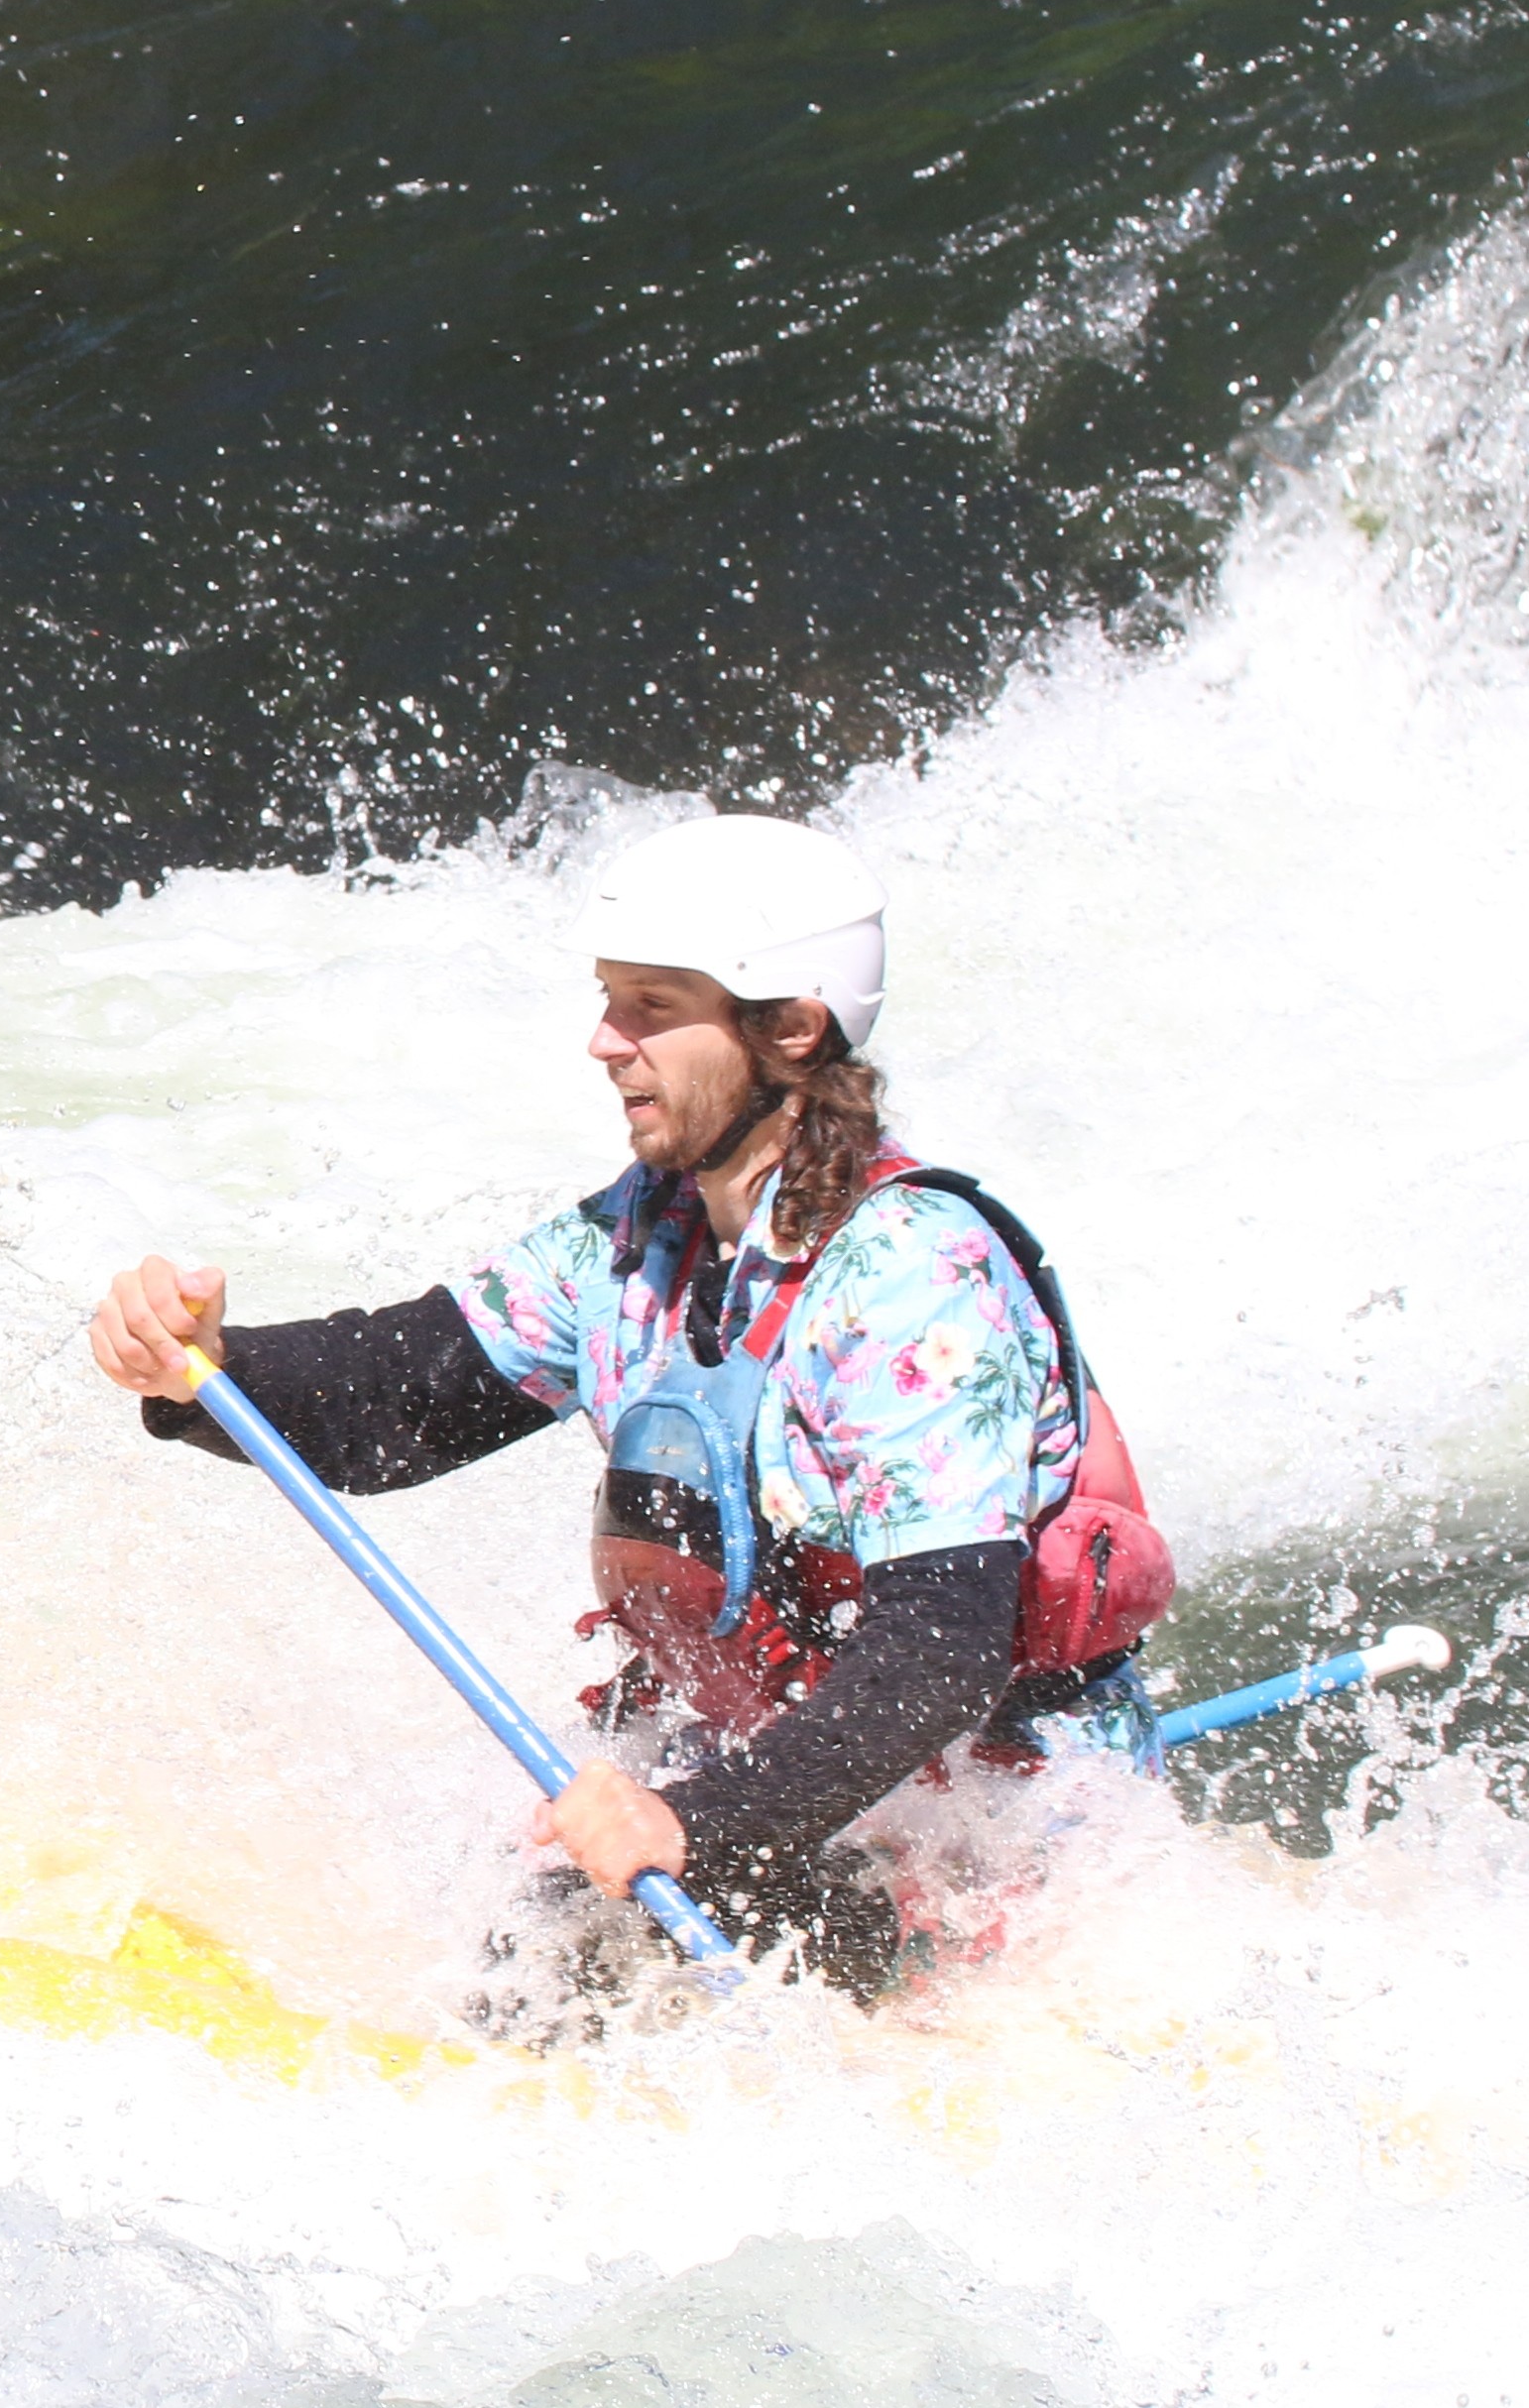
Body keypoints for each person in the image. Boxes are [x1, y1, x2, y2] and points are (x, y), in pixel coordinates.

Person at [84, 814, 1173, 1993]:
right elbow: (399, 1400)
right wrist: (200, 1367)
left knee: (568, 1957)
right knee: (528, 1920)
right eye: (611, 1000)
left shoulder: (914, 1275)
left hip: (993, 1851)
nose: (606, 1042)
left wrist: (693, 1825)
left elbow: (938, 1657)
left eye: (652, 1006)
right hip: (798, 1804)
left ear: (791, 1029)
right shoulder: (641, 1234)